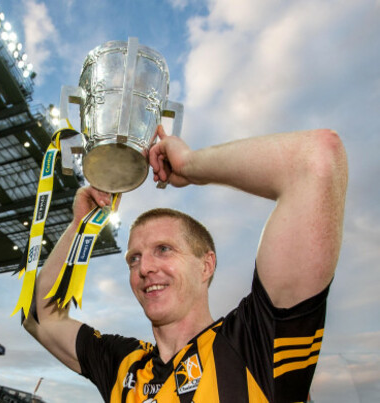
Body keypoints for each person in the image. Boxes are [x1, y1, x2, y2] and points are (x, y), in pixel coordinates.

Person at [23, 126, 348, 402]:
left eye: (163, 249)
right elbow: (37, 315)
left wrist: (192, 165)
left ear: (206, 266)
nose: (144, 268)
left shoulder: (254, 343)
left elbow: (317, 159)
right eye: (133, 258)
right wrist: (79, 227)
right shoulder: (125, 365)